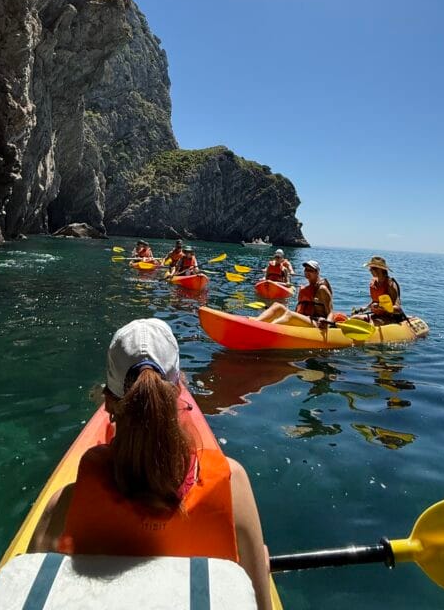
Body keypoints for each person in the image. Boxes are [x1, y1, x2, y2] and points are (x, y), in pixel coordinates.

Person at [29, 319, 272, 610]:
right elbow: (261, 605)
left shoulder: (65, 506)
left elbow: (27, 588)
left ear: (108, 403)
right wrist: (259, 563)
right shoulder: (234, 486)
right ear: (178, 390)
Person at [256, 260, 333, 328]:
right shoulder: (304, 288)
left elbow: (330, 312)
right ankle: (256, 323)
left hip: (316, 322)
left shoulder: (322, 289)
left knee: (290, 315)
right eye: (306, 270)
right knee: (277, 305)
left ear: (317, 272)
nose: (307, 272)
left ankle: (267, 329)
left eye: (310, 270)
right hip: (304, 319)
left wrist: (327, 323)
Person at [353, 256, 403, 322]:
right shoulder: (374, 282)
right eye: (370, 267)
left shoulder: (390, 285)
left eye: (373, 268)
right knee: (354, 318)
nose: (370, 270)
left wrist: (381, 307)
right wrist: (366, 308)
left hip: (389, 317)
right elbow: (376, 301)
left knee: (373, 323)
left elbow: (398, 309)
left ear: (381, 269)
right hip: (377, 316)